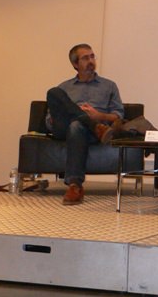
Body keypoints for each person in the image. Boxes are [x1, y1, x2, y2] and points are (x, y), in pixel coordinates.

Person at [45, 44, 124, 205]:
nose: (91, 61)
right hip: (64, 130)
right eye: (85, 58)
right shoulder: (64, 87)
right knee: (52, 92)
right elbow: (48, 121)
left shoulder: (109, 86)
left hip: (90, 134)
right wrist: (66, 114)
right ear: (75, 64)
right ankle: (93, 125)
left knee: (77, 126)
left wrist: (98, 115)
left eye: (92, 56)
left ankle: (75, 185)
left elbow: (119, 115)